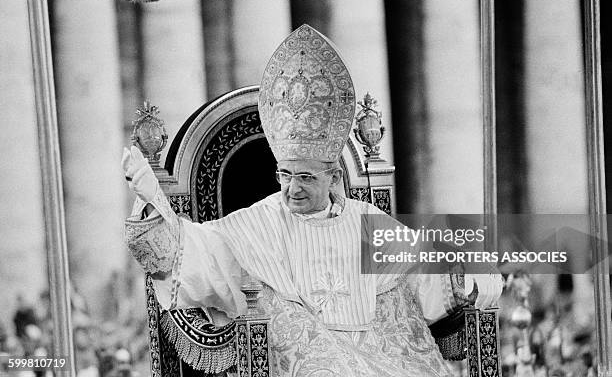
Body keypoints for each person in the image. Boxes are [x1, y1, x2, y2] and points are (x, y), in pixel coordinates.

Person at [122, 24, 503, 376]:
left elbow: (428, 272)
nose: (292, 188)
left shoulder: (366, 220)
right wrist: (152, 203)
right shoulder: (256, 226)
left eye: (305, 177)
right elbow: (190, 252)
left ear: (334, 177)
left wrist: (467, 269)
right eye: (285, 176)